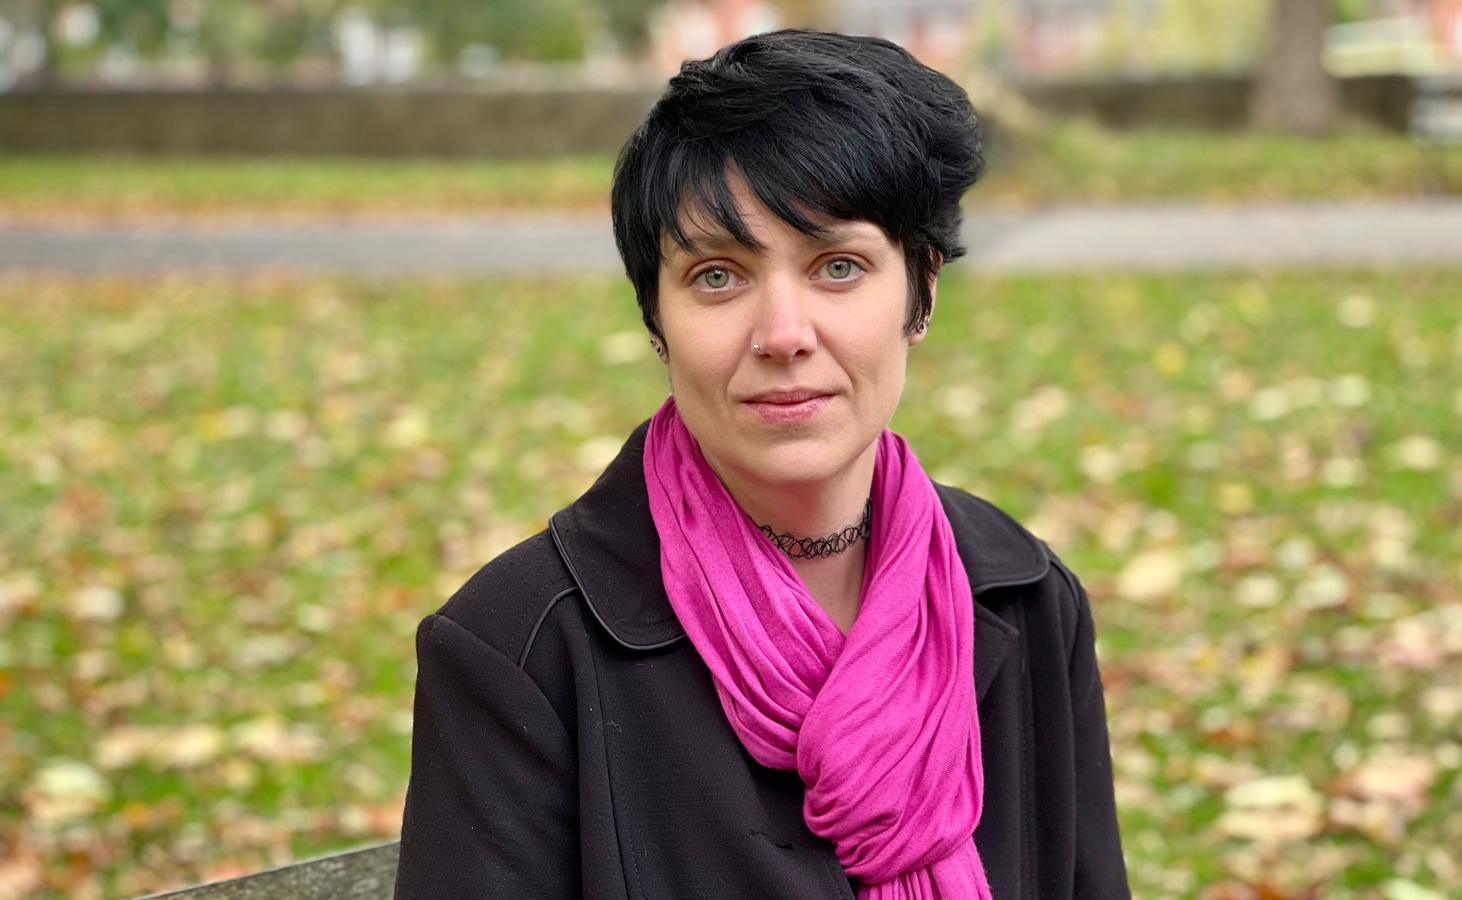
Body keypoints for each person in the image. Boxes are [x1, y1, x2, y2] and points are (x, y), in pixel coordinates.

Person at [393, 29, 1130, 899]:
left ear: (921, 291)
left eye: (839, 266)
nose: (783, 335)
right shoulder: (520, 650)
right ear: (655, 321)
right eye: (717, 276)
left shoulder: (1026, 596)